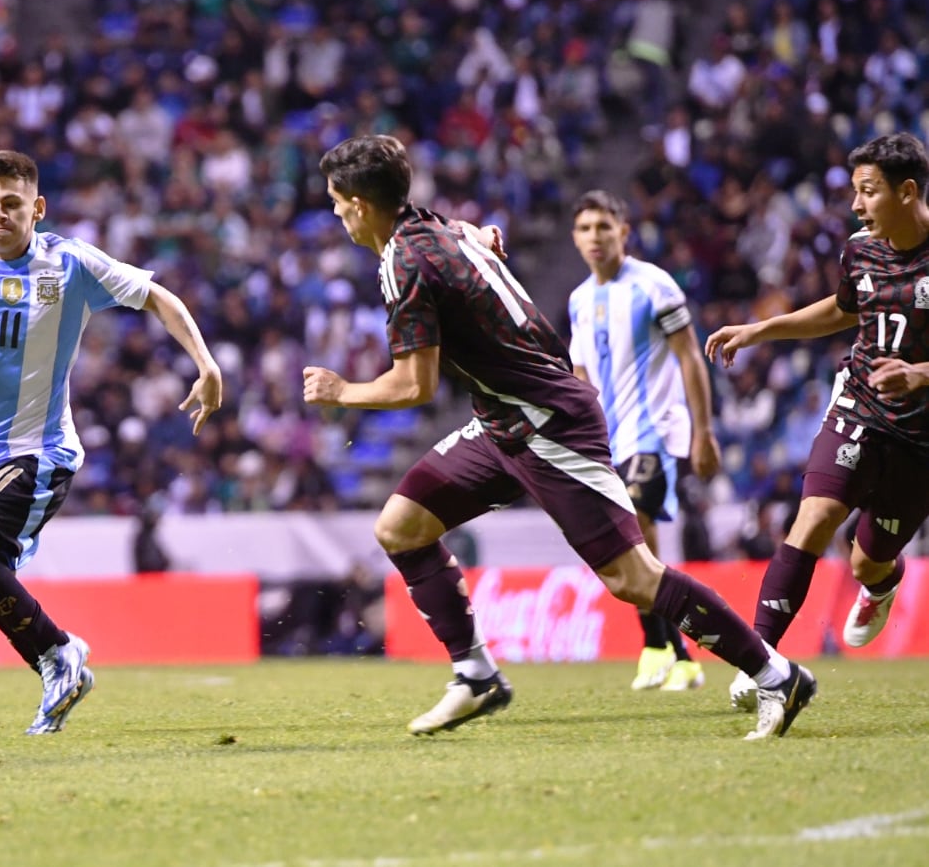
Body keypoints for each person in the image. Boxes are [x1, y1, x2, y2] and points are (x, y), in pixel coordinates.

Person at [303, 135, 814, 741]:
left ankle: (776, 674)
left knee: (634, 580)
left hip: (549, 425)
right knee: (401, 527)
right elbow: (475, 236)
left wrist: (343, 392)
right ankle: (475, 675)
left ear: (360, 205)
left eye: (337, 203)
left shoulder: (405, 262)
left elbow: (414, 384)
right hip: (503, 421)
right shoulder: (437, 227)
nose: (336, 215)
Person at [0, 150, 223, 735]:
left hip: (39, 453)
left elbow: (159, 297)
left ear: (36, 208)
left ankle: (61, 654)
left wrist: (206, 364)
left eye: (11, 204)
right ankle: (56, 664)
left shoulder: (69, 264)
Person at [705, 132, 929, 710]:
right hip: (858, 406)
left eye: (868, 192)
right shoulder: (861, 248)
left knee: (866, 557)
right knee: (813, 520)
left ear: (907, 192)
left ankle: (880, 583)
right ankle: (761, 663)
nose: (856, 205)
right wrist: (762, 329)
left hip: (920, 437)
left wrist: (921, 374)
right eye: (855, 191)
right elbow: (840, 309)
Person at [565, 190, 721, 692]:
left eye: (603, 227)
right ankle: (669, 650)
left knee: (634, 520)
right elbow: (581, 374)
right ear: (575, 236)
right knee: (629, 548)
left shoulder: (655, 285)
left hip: (655, 431)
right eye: (585, 228)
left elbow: (689, 358)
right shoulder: (579, 299)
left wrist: (704, 431)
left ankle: (668, 650)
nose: (595, 237)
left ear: (624, 232)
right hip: (608, 441)